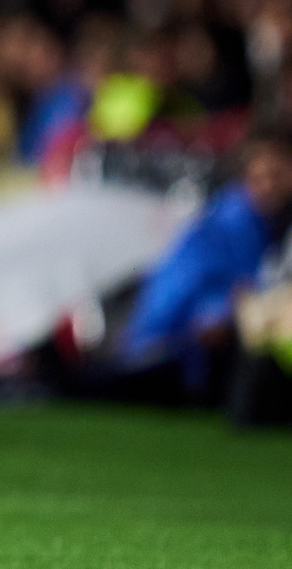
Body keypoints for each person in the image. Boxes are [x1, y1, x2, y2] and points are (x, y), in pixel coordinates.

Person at [120, 126, 292, 396]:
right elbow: (201, 294)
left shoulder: (265, 222)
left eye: (277, 175)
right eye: (261, 176)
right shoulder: (231, 223)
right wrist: (222, 311)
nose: (269, 186)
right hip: (174, 347)